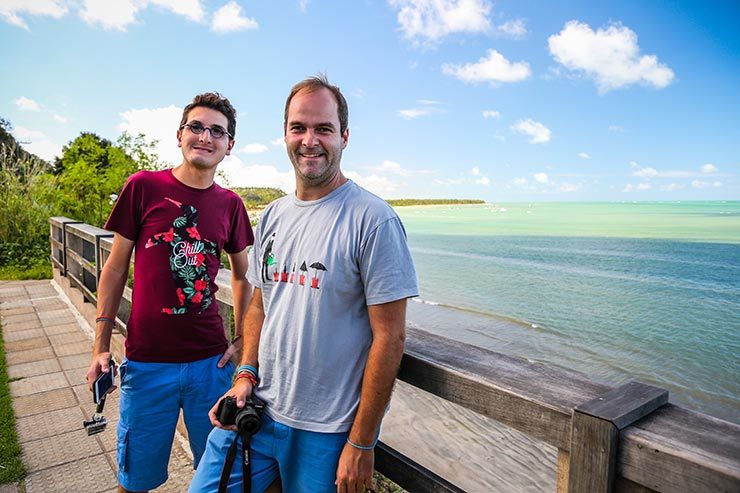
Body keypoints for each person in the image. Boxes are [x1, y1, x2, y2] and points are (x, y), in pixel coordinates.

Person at [189, 75, 419, 493]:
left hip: (326, 431)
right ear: (285, 135)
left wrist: (362, 441)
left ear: (344, 137)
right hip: (257, 410)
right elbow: (260, 303)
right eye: (299, 127)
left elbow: (390, 336)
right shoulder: (273, 215)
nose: (309, 140)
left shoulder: (373, 219)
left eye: (323, 129)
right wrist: (244, 374)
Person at [86, 92, 254, 493]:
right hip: (147, 364)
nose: (205, 136)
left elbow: (244, 278)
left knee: (217, 477)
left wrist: (244, 339)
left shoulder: (231, 205)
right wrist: (101, 346)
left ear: (229, 146)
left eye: (218, 131)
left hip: (211, 367)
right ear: (180, 135)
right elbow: (113, 269)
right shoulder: (143, 186)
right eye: (196, 126)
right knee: (135, 479)